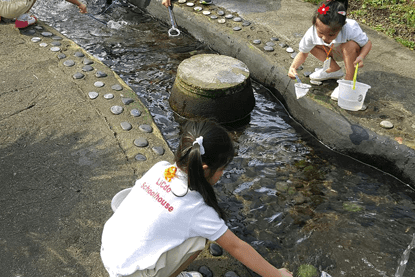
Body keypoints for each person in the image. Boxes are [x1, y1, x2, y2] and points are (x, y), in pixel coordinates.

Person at [101, 119, 293, 277]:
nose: (222, 175)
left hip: (109, 252)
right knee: (199, 236)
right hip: (129, 274)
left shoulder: (161, 168)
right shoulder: (196, 210)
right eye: (221, 170)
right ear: (205, 169)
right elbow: (237, 247)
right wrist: (277, 275)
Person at [288, 0, 372, 100]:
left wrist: (361, 57)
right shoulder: (311, 33)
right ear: (314, 25)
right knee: (311, 46)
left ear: (342, 27)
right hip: (331, 51)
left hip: (350, 53)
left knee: (349, 45)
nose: (325, 38)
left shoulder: (350, 28)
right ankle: (333, 69)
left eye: (331, 34)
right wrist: (293, 67)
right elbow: (303, 53)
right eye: (321, 33)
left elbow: (367, 43)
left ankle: (348, 81)